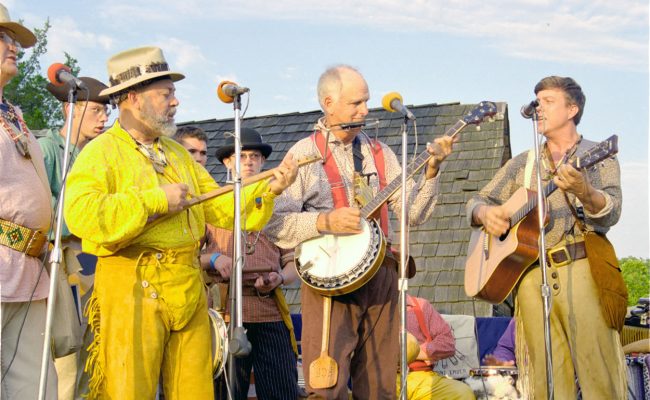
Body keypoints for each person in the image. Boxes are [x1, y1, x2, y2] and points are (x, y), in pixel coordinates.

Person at [63, 46, 297, 399]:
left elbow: (221, 207)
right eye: (165, 94)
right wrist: (155, 200)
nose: (175, 102)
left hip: (186, 287)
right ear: (132, 98)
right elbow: (81, 214)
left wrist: (269, 189)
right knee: (129, 390)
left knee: (195, 390)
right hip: (130, 287)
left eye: (173, 93)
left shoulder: (176, 154)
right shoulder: (100, 151)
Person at [265, 64, 455, 399]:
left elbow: (414, 213)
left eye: (366, 101)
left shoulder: (381, 153)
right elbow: (275, 223)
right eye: (356, 103)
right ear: (329, 103)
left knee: (381, 385)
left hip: (381, 275)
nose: (365, 110)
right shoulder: (304, 154)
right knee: (326, 385)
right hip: (329, 282)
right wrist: (325, 222)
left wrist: (432, 172)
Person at [467, 76, 626, 399]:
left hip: (580, 267)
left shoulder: (599, 156)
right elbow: (476, 201)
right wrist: (485, 214)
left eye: (549, 101)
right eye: (537, 101)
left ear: (572, 109)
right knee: (545, 376)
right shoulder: (522, 164)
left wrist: (585, 191)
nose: (539, 107)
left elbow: (611, 212)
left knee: (599, 370)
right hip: (529, 274)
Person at [205, 127, 300, 399]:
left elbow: (293, 263)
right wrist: (214, 258)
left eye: (255, 156)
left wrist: (279, 278)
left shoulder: (276, 203)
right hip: (225, 311)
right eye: (241, 155)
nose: (248, 161)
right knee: (225, 393)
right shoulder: (213, 203)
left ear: (263, 162)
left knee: (282, 391)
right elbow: (190, 256)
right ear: (227, 162)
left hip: (269, 310)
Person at [39, 76, 111, 400]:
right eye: (96, 110)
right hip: (57, 259)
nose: (104, 118)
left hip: (93, 259)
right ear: (71, 109)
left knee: (90, 351)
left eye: (106, 111)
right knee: (65, 356)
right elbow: (40, 208)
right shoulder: (47, 149)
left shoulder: (97, 156)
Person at [0, 3, 58, 398]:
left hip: (29, 269)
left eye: (14, 40)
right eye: (2, 38)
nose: (13, 47)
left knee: (38, 388)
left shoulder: (13, 114)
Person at [399, 295, 475, 400]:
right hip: (387, 377)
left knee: (463, 394)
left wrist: (414, 351)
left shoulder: (421, 305)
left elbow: (447, 343)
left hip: (422, 376)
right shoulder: (376, 307)